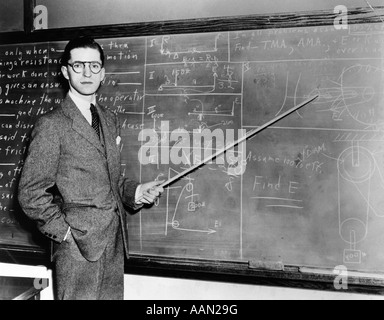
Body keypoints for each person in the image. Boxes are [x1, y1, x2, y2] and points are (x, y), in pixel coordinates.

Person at [18, 36, 164, 300]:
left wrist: (136, 191)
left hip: (114, 243)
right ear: (65, 71)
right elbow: (30, 194)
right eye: (79, 65)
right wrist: (65, 234)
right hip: (76, 249)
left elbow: (111, 180)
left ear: (103, 73)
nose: (87, 73)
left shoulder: (109, 119)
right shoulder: (52, 124)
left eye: (94, 66)